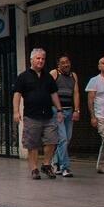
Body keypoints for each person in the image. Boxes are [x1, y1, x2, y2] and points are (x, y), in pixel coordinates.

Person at [12, 48, 64, 179]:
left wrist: (59, 110)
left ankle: (46, 165)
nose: (41, 61)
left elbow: (54, 94)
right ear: (31, 60)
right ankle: (34, 168)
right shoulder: (23, 77)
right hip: (31, 116)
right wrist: (16, 111)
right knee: (32, 143)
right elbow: (17, 95)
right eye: (38, 58)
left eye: (43, 59)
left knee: (52, 140)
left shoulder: (48, 77)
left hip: (48, 115)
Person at [49, 54, 79, 177]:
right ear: (58, 65)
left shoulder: (74, 75)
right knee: (63, 139)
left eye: (67, 62)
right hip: (57, 111)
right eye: (63, 62)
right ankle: (65, 167)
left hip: (69, 110)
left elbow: (76, 93)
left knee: (67, 139)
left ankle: (55, 163)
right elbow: (49, 90)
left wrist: (77, 110)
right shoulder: (54, 73)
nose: (66, 64)